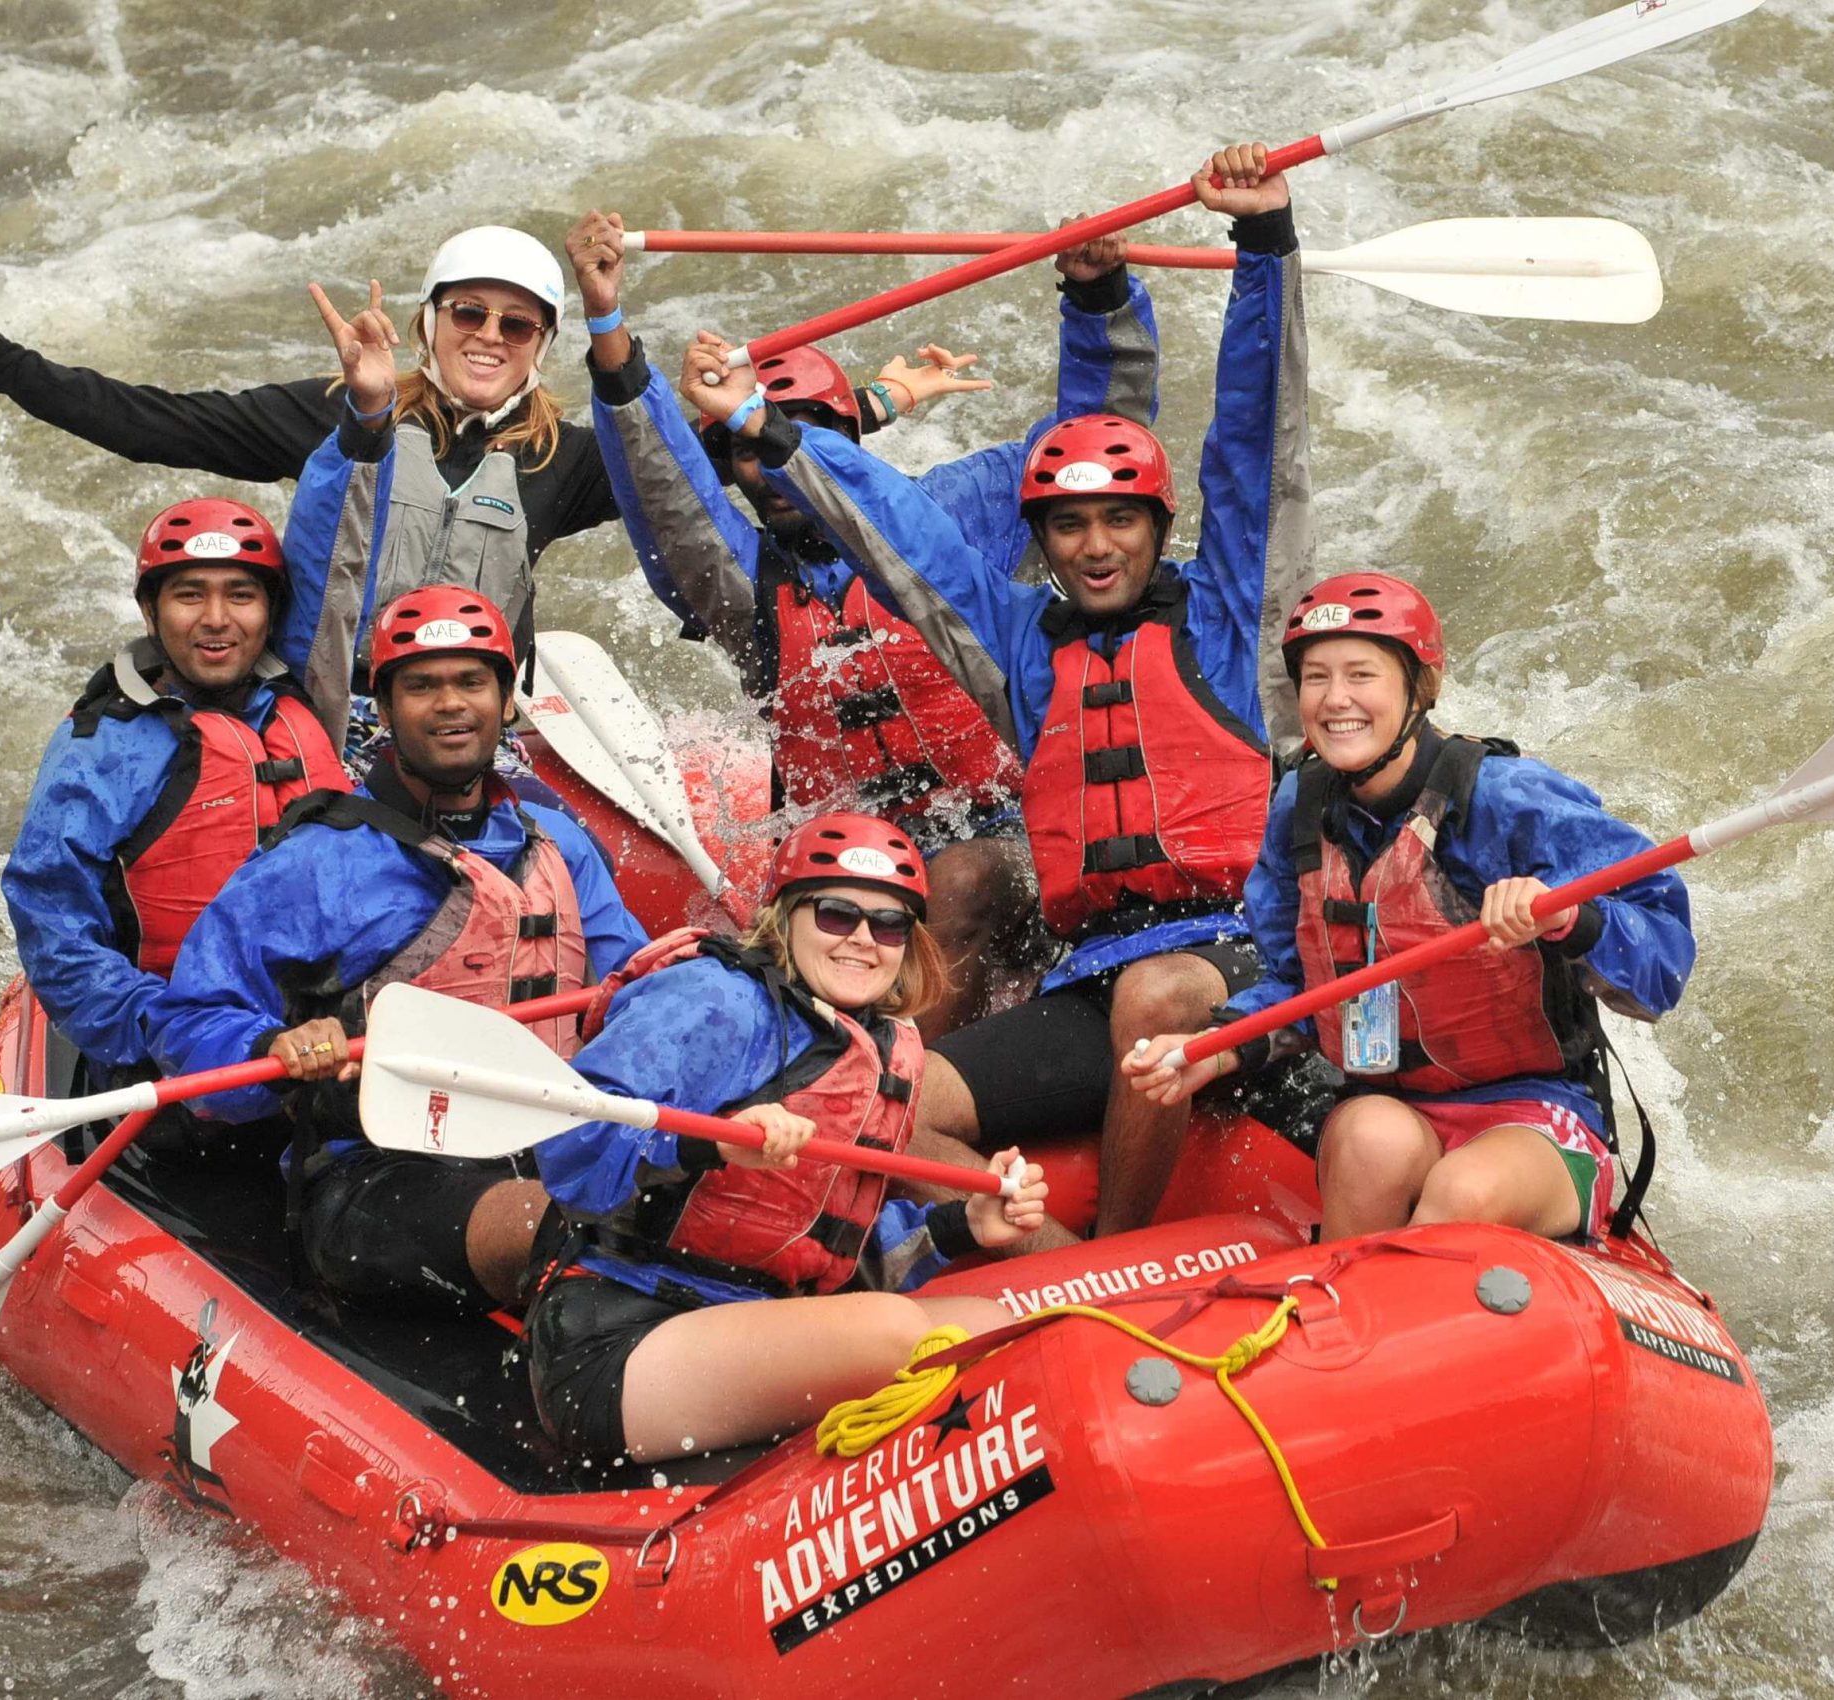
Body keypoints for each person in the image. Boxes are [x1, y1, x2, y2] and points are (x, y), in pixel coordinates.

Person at [687, 144, 1310, 1235]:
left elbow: (1258, 440)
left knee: (1155, 1000)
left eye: (1120, 517)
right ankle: (1043, 1251)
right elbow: (899, 530)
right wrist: (760, 428)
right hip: (1090, 976)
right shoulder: (1021, 645)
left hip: (1240, 963)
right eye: (1068, 524)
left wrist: (1262, 244)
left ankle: (1113, 1254)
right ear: (1042, 541)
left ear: (1157, 528)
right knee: (883, 1097)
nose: (1096, 544)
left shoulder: (1222, 618)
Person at [568, 208, 1163, 1033]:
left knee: (957, 882)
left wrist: (1096, 294)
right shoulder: (745, 589)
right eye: (751, 450)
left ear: (850, 440)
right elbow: (668, 501)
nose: (772, 466)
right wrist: (610, 336)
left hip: (1014, 836)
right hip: (848, 863)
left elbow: (1095, 445)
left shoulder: (950, 514)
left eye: (802, 435)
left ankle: (911, 1083)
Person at [1122, 573, 1695, 1241]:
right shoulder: (1299, 809)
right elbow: (1298, 991)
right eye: (1316, 678)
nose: (1336, 700)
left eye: (1361, 674)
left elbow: (1664, 963)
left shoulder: (1506, 799)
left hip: (1539, 1112)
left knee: (1462, 1189)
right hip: (1398, 1106)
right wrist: (1212, 1051)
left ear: (1416, 688)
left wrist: (1568, 918)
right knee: (1367, 1140)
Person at [149, 585, 650, 1309]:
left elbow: (635, 992)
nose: (451, 703)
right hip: (375, 1176)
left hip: (549, 1144)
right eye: (422, 686)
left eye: (472, 682)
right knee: (572, 1226)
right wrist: (275, 1043)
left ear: (507, 703)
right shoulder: (318, 861)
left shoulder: (560, 845)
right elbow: (189, 1019)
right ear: (383, 713)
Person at [0, 226, 616, 748]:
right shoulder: (339, 412)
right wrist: (1, 360)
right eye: (469, 313)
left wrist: (723, 413)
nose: (490, 337)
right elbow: (163, 425)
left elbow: (686, 490)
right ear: (430, 322)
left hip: (460, 738)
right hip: (322, 725)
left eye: (517, 324)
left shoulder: (566, 457)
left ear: (543, 343)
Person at [521, 812, 1049, 1464]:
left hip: (756, 1320)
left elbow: (823, 1250)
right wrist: (710, 1143)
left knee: (996, 1329)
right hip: (619, 1335)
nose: (863, 939)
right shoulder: (711, 999)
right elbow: (573, 1147)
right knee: (892, 1333)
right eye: (835, 914)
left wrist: (963, 1226)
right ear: (786, 915)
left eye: (888, 925)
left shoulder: (885, 1048)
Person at [1, 496, 351, 1154]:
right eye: (190, 595)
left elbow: (344, 540)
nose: (217, 620)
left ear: (270, 611)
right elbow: (56, 939)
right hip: (176, 1066)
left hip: (334, 1041)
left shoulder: (303, 713)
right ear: (150, 612)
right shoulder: (99, 751)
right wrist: (178, 1030)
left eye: (241, 596)